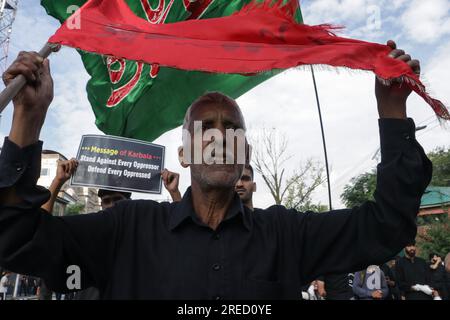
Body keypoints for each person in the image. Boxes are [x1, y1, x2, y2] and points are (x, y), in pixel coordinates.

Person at [0, 42, 433, 299]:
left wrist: (392, 112)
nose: (218, 138)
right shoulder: (127, 231)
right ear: (184, 153)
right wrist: (28, 121)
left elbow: (386, 227)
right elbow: (17, 241)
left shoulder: (285, 235)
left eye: (231, 131)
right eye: (205, 129)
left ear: (243, 152)